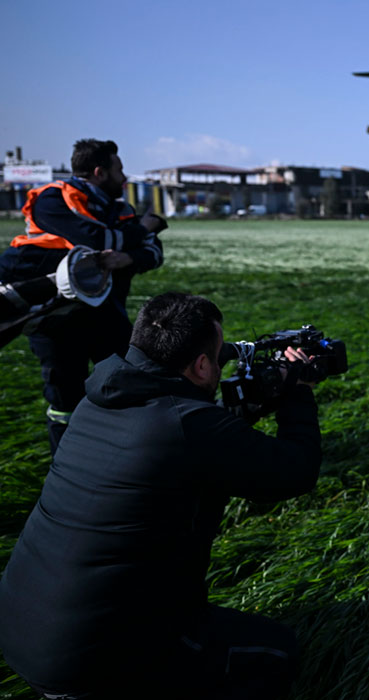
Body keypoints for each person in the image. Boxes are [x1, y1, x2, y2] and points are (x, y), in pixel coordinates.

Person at [0, 292, 322, 700]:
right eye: (219, 354)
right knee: (277, 652)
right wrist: (297, 392)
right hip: (87, 663)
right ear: (202, 364)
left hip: (19, 626)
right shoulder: (186, 426)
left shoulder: (99, 397)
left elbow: (192, 438)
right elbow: (296, 470)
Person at [0, 138, 167, 453]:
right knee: (64, 400)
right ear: (99, 172)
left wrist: (129, 257)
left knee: (128, 385)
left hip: (107, 314)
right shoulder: (53, 198)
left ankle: (123, 460)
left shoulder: (119, 208)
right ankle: (66, 467)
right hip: (55, 320)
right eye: (119, 169)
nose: (125, 177)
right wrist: (145, 226)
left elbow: (154, 252)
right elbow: (96, 238)